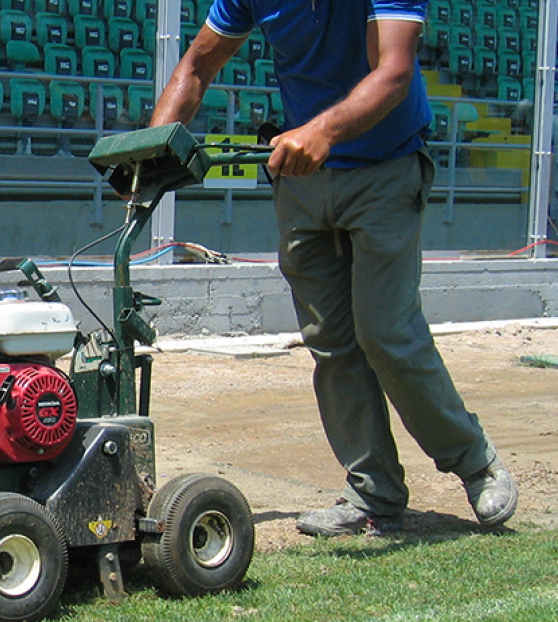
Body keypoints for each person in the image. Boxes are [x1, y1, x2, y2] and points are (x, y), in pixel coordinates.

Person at [149, 0, 518, 535]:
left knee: (387, 331)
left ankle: (475, 462)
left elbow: (393, 72)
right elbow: (197, 65)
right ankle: (374, 492)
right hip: (302, 180)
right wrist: (149, 155)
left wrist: (322, 131)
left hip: (384, 169)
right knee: (331, 341)